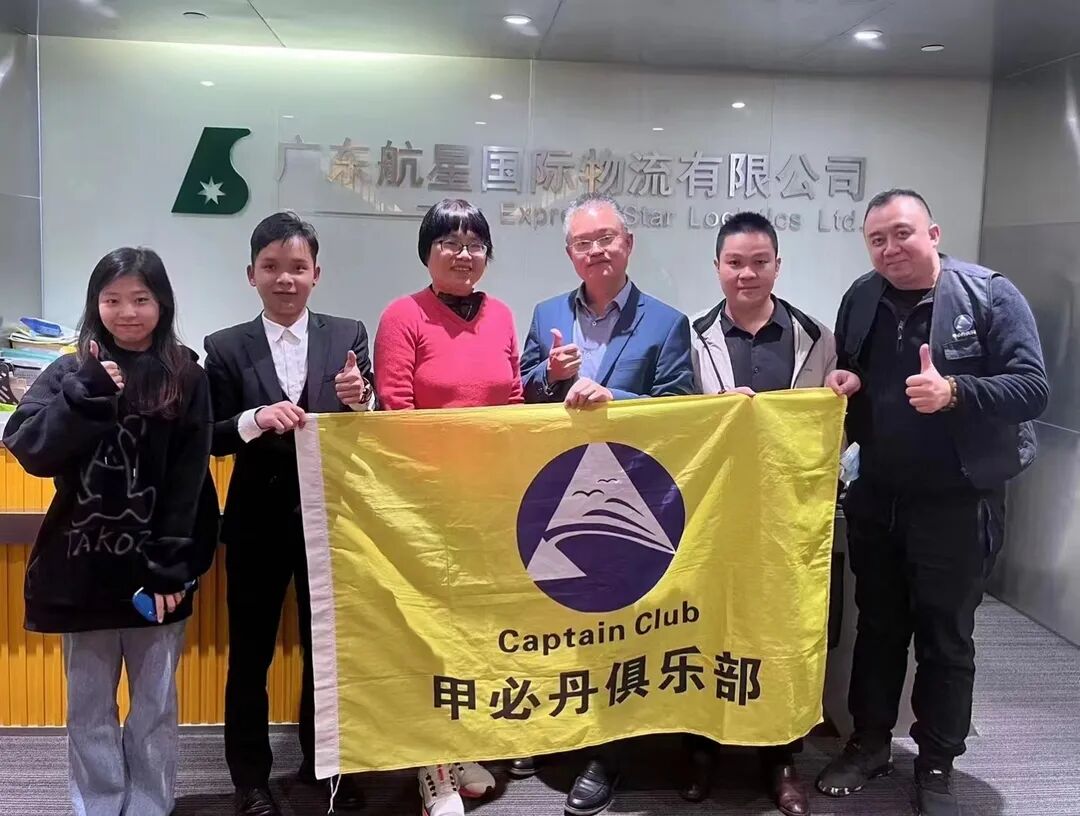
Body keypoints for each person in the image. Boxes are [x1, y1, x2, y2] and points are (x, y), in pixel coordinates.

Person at [816, 189, 1049, 816]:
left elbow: (1032, 388)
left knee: (946, 637)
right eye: (877, 239)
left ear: (934, 233)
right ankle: (869, 743)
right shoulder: (861, 297)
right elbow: (857, 373)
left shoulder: (990, 295)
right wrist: (848, 382)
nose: (890, 248)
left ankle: (938, 762)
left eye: (902, 233)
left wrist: (956, 392)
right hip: (879, 496)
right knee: (878, 628)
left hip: (957, 501)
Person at [3, 247, 219, 816]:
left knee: (154, 708)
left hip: (155, 576)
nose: (127, 312)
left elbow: (190, 479)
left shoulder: (187, 376)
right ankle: (97, 806)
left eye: (141, 299)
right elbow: (31, 450)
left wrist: (172, 567)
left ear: (162, 303)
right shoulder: (71, 371)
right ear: (95, 305)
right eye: (113, 299)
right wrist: (87, 393)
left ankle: (149, 806)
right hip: (82, 570)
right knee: (89, 708)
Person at [519, 191, 695, 816]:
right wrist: (551, 378)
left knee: (615, 627)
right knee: (556, 620)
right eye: (583, 243)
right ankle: (557, 731)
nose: (596, 251)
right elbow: (524, 392)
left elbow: (679, 409)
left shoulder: (667, 322)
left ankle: (607, 754)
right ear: (570, 253)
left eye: (606, 239)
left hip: (629, 500)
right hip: (554, 491)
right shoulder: (545, 313)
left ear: (628, 244)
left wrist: (612, 398)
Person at [204, 212, 374, 816]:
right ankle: (249, 780)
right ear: (251, 274)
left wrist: (362, 400)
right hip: (256, 522)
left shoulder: (348, 334)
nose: (285, 279)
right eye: (272, 267)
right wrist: (253, 420)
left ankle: (323, 766)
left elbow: (368, 417)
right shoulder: (225, 347)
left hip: (331, 522)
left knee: (327, 651)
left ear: (316, 274)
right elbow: (210, 435)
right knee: (250, 654)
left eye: (298, 267)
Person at [686, 211, 836, 816]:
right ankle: (702, 751)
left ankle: (781, 757)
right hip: (715, 512)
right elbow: (675, 418)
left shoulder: (815, 336)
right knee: (707, 627)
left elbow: (827, 423)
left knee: (779, 631)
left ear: (777, 265)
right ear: (717, 267)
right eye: (734, 263)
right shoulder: (693, 335)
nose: (746, 274)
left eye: (759, 262)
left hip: (784, 514)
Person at [374, 198, 513, 816]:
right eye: (449, 242)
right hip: (427, 507)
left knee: (473, 635)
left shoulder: (502, 315)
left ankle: (458, 751)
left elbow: (513, 405)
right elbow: (396, 413)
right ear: (426, 253)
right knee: (427, 637)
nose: (463, 254)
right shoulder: (402, 315)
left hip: (490, 505)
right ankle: (430, 767)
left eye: (474, 243)